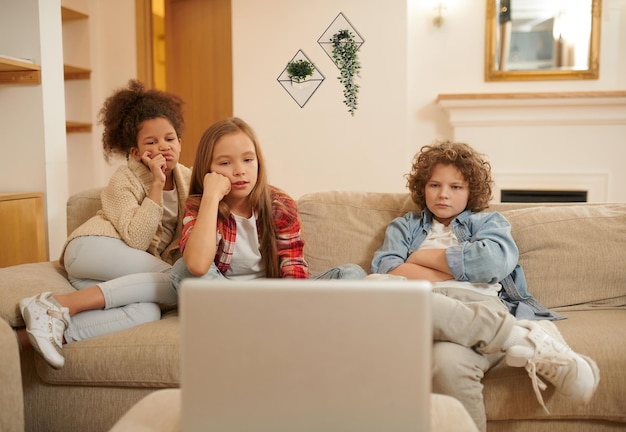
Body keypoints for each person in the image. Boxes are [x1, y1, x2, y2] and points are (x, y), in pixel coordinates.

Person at [371, 141, 599, 432]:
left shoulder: (488, 222)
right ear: (422, 188)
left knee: (441, 352)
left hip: (479, 304)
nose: (443, 194)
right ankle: (519, 338)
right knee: (385, 295)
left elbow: (491, 264)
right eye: (434, 185)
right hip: (427, 307)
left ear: (471, 191)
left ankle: (505, 333)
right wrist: (459, 271)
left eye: (456, 187)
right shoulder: (405, 226)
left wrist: (419, 258)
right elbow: (387, 269)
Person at [18, 79, 191, 369]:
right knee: (180, 280)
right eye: (151, 142)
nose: (163, 146)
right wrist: (157, 185)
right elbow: (137, 239)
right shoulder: (125, 178)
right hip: (91, 250)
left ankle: (29, 337)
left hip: (106, 275)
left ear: (180, 142)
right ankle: (56, 304)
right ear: (136, 152)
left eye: (170, 138)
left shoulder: (189, 178)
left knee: (146, 312)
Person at [170, 117, 365, 288]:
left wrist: (290, 303)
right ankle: (253, 315)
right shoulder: (200, 205)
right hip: (225, 293)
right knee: (183, 270)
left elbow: (293, 268)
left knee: (352, 273)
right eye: (225, 163)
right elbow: (197, 264)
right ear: (208, 168)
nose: (240, 170)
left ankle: (262, 316)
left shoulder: (279, 204)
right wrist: (211, 198)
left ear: (258, 162)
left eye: (248, 159)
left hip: (274, 296)